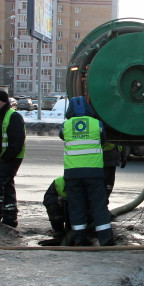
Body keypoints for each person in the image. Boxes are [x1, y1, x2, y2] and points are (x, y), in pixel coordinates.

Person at [59, 96, 113, 246]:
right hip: (93, 173)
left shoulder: (65, 126)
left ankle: (79, 239)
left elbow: (62, 136)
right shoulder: (97, 124)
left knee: (76, 206)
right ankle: (105, 239)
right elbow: (103, 140)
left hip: (72, 174)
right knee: (98, 205)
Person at [0, 90, 26, 227]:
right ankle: (10, 217)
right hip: (0, 158)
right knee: (7, 185)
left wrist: (6, 157)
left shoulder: (13, 117)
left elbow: (17, 141)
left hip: (9, 158)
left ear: (4, 102)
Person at [40, 176, 68, 245]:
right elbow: (49, 201)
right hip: (58, 202)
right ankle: (59, 230)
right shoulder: (59, 183)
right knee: (54, 211)